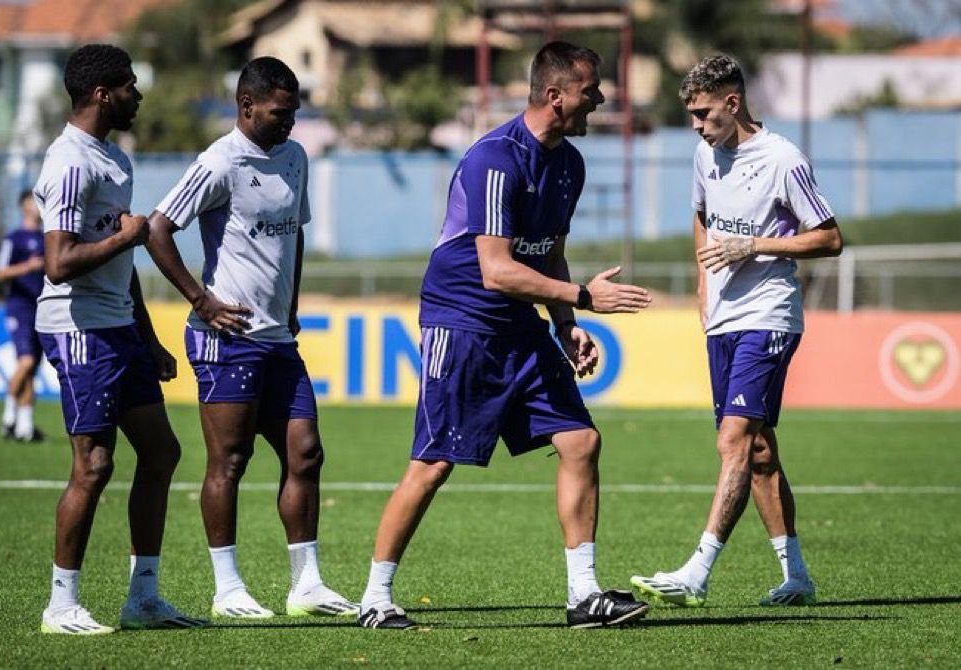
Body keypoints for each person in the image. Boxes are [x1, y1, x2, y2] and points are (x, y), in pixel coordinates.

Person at [356, 41, 653, 630]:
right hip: (462, 322)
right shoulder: (496, 158)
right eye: (592, 91)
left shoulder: (569, 162)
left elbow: (550, 252)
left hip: (521, 326)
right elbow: (497, 270)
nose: (599, 101)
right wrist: (584, 299)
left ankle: (583, 596)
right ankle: (374, 597)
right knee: (435, 462)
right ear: (556, 95)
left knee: (580, 443)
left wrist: (567, 326)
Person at [145, 56, 356, 620]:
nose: (289, 122)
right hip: (227, 337)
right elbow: (157, 228)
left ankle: (306, 585)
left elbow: (296, 235)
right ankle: (227, 588)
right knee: (229, 462)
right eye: (279, 113)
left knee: (306, 453)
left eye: (294, 112)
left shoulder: (295, 156)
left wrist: (290, 306)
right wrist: (201, 300)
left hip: (278, 339)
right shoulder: (220, 162)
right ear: (247, 106)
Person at [630, 54, 843, 607]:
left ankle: (696, 572)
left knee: (734, 442)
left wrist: (756, 245)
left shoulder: (783, 160)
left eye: (705, 114)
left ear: (733, 102)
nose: (698, 127)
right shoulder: (705, 155)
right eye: (692, 117)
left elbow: (829, 239)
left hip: (769, 314)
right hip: (723, 318)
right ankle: (796, 576)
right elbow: (701, 216)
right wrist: (704, 285)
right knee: (760, 453)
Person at [33, 44, 204, 634]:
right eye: (130, 85)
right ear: (103, 94)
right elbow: (58, 263)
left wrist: (147, 335)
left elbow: (121, 264)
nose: (138, 93)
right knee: (94, 464)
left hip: (117, 327)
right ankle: (61, 604)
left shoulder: (112, 159)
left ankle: (144, 598)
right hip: (78, 328)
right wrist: (126, 238)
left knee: (161, 452)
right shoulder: (70, 163)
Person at [0, 189, 46, 442]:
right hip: (20, 308)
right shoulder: (13, 238)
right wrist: (28, 266)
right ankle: (9, 416)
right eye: (34, 201)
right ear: (23, 205)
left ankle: (24, 427)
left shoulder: (48, 238)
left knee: (32, 369)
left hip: (42, 310)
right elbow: (0, 272)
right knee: (25, 361)